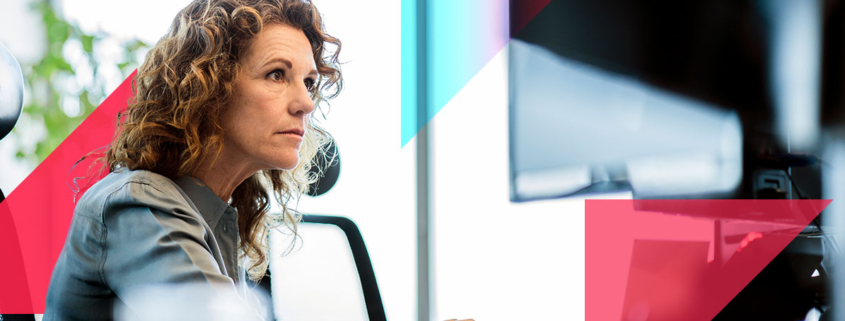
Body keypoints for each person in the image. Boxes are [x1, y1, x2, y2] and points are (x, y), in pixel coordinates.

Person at [43, 0, 341, 319]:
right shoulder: (137, 205)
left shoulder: (213, 216)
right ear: (211, 87)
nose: (306, 103)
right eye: (277, 74)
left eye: (309, 82)